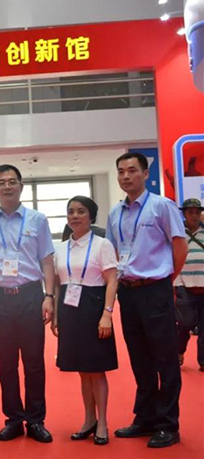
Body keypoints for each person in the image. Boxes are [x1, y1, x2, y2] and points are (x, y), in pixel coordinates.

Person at [105, 152, 187, 448]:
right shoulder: (115, 213)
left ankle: (168, 424)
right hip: (128, 291)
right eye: (121, 171)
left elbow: (180, 246)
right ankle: (145, 418)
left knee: (165, 358)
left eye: (132, 170)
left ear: (145, 173)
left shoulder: (161, 206)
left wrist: (165, 278)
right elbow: (114, 253)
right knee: (139, 358)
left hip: (155, 290)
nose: (126, 176)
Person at [0, 164, 55, 443]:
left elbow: (47, 260)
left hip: (31, 295)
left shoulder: (37, 219)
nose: (7, 186)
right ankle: (13, 419)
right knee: (7, 363)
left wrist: (49, 296)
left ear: (21, 186)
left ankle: (35, 420)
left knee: (34, 362)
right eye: (1, 182)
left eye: (12, 181)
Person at [52, 196, 118, 446]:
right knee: (82, 370)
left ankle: (103, 423)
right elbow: (57, 284)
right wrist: (56, 315)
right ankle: (89, 419)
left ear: (91, 216)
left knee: (96, 370)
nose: (75, 216)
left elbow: (112, 280)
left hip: (94, 308)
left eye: (81, 211)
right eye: (71, 212)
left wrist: (107, 313)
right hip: (69, 310)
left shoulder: (102, 244)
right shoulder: (60, 248)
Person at [173, 198, 204, 371]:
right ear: (184, 214)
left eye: (197, 212)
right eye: (190, 212)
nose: (194, 215)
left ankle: (203, 362)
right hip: (183, 284)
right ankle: (178, 351)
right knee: (185, 323)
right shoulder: (176, 233)